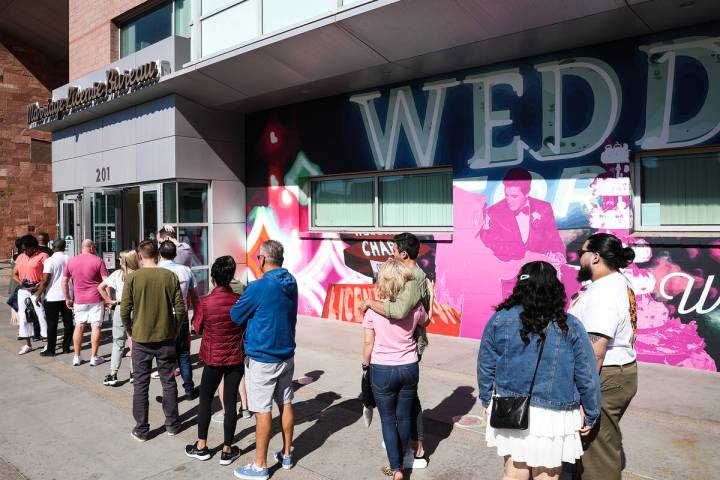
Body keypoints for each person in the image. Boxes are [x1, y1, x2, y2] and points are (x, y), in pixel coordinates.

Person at [477, 261, 601, 480]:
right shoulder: (570, 325)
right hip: (555, 414)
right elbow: (587, 374)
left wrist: (487, 399)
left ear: (520, 287)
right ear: (555, 288)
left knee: (514, 473)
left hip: (511, 407)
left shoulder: (500, 319)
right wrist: (591, 412)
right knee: (547, 475)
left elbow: (486, 364)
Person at [569, 233, 638, 480]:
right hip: (619, 372)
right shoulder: (619, 281)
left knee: (596, 455)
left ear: (595, 257)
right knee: (603, 441)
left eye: (582, 253)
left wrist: (585, 400)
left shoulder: (603, 293)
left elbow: (595, 351)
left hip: (604, 376)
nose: (579, 259)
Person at [360, 232, 431, 470]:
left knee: (397, 415)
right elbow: (423, 317)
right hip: (407, 358)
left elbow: (399, 311)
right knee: (403, 411)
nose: (390, 253)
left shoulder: (413, 279)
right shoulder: (408, 279)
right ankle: (406, 450)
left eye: (393, 249)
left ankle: (412, 452)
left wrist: (371, 303)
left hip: (391, 361)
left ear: (403, 253)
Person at [231, 240, 297, 480]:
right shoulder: (292, 282)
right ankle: (287, 454)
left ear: (262, 259)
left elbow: (236, 315)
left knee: (262, 410)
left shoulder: (258, 287)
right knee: (286, 402)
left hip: (263, 357)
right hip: (286, 354)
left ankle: (260, 466)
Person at [121, 240, 185, 442]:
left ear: (140, 256)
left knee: (141, 384)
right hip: (165, 336)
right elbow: (181, 308)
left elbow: (124, 310)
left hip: (141, 338)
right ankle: (172, 425)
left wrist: (130, 330)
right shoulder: (169, 276)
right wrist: (175, 328)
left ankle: (141, 429)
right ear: (157, 254)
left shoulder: (133, 278)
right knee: (168, 381)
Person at [185, 256, 244, 466]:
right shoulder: (239, 300)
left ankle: (201, 446)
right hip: (235, 358)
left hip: (212, 358)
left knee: (206, 400)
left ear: (212, 279)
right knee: (230, 403)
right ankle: (227, 450)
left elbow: (197, 328)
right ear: (231, 277)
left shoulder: (205, 302)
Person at [479, 167, 565, 262]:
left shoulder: (544, 208)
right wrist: (527, 255)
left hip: (539, 270)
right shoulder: (493, 212)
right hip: (509, 270)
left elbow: (553, 238)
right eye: (506, 195)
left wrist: (559, 253)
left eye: (514, 196)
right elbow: (494, 248)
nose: (509, 200)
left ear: (527, 193)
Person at [158, 240, 199, 399]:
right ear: (175, 254)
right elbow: (195, 296)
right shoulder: (186, 270)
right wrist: (195, 313)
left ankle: (169, 394)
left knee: (166, 357)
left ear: (160, 254)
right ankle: (189, 390)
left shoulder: (156, 271)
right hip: (181, 316)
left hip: (163, 318)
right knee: (183, 355)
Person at [62, 239, 108, 366]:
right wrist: (108, 299)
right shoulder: (98, 260)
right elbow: (106, 283)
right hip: (96, 299)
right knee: (96, 326)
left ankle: (76, 357)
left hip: (79, 300)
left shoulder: (72, 261)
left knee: (79, 326)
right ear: (92, 247)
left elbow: (64, 282)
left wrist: (68, 298)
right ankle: (94, 357)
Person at [98, 250, 140, 386]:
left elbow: (100, 287)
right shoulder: (140, 274)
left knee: (118, 342)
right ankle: (134, 373)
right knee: (135, 341)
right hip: (138, 308)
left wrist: (109, 301)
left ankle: (113, 374)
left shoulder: (117, 274)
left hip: (121, 307)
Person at [12, 235, 49, 354]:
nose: (23, 251)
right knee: (23, 316)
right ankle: (28, 344)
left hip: (38, 289)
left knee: (41, 314)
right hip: (23, 289)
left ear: (33, 247)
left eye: (25, 249)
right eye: (22, 249)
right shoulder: (21, 257)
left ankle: (48, 342)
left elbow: (46, 274)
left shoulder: (43, 256)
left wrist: (38, 286)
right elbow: (14, 274)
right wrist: (22, 284)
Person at [35, 239, 72, 356]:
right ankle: (66, 347)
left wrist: (38, 294)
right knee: (68, 323)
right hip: (67, 295)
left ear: (53, 247)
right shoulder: (70, 259)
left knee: (52, 324)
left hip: (52, 296)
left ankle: (51, 350)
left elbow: (45, 280)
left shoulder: (50, 260)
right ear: (64, 247)